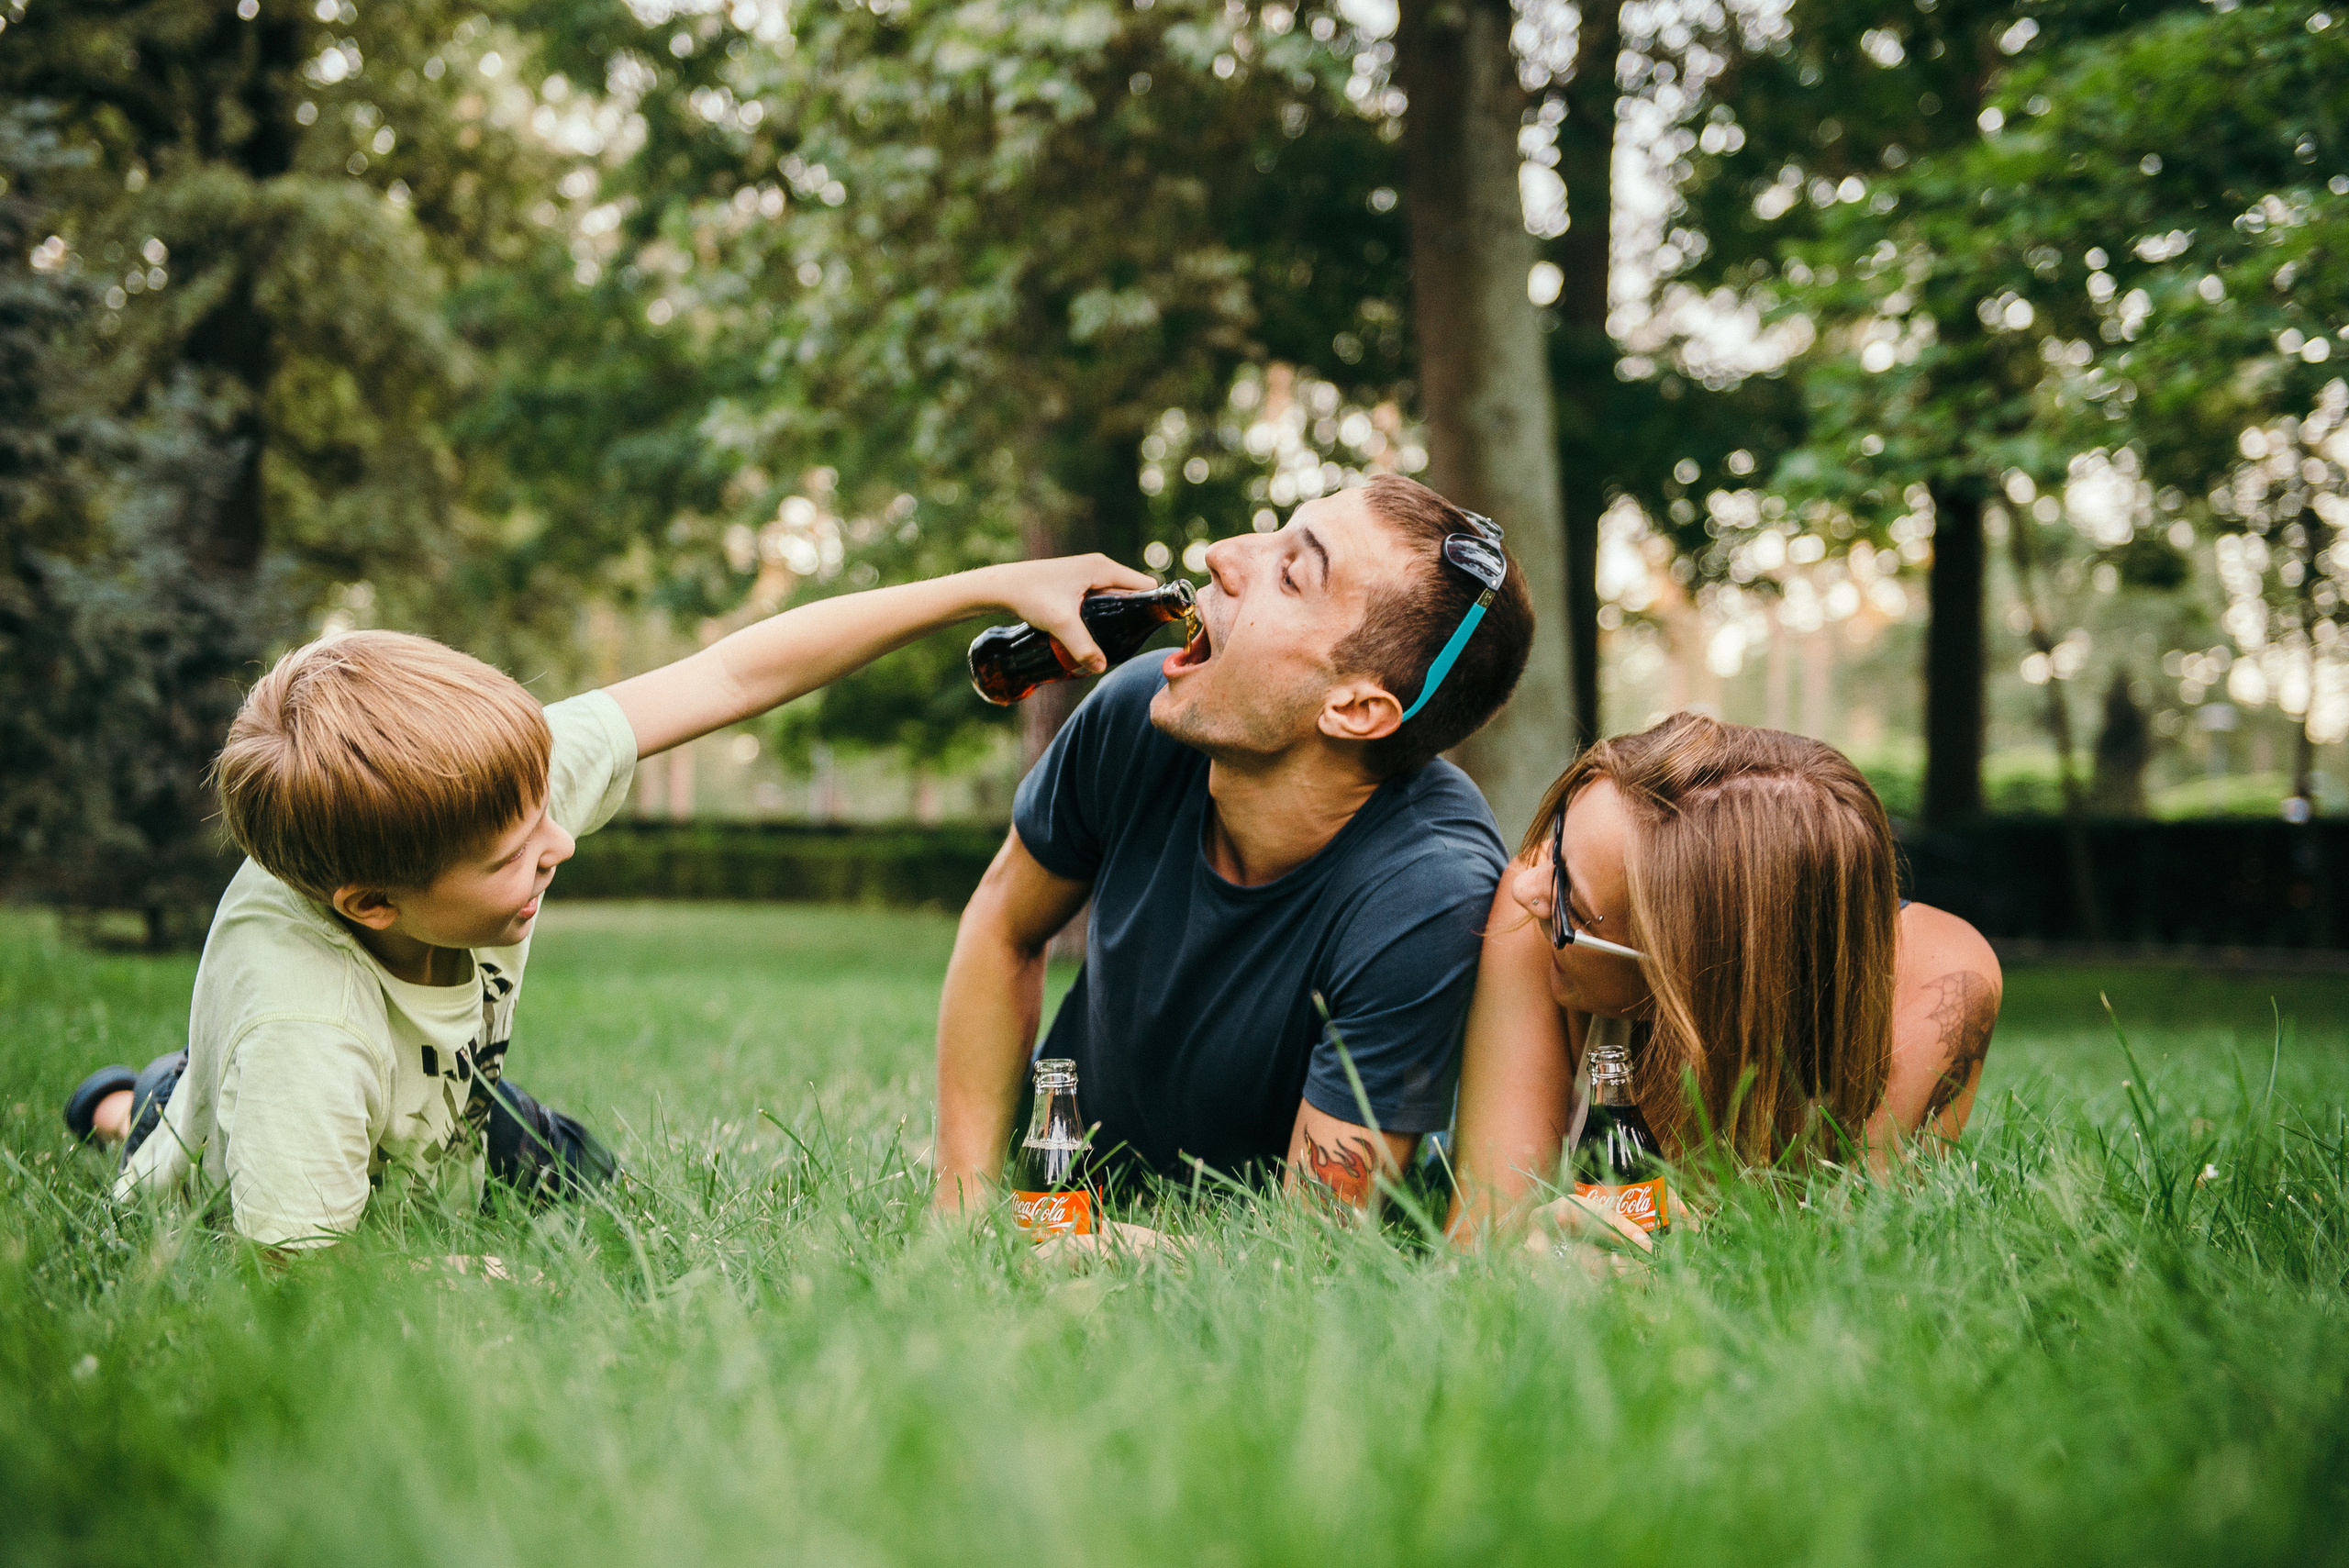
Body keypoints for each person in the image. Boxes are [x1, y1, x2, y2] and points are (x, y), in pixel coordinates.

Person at [61, 553, 1155, 1251]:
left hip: (451, 1107)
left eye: (546, 809)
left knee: (591, 1189)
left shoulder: (492, 787)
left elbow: (735, 675)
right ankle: (127, 1106)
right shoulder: (305, 1029)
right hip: (295, 1129)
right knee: (190, 1116)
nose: (562, 841)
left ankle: (163, 1089)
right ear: (372, 902)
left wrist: (992, 584)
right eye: (513, 855)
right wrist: (446, 1276)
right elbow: (294, 1280)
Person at [933, 475, 1537, 1218]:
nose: (1221, 554)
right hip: (1074, 1179)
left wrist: (1080, 1242)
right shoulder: (1138, 713)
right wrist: (964, 1205)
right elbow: (1003, 925)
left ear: (1355, 707)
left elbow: (1310, 1245)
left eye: (1291, 575)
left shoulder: (1429, 892)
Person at [1447, 714, 2003, 1240]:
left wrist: (1675, 1242)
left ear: (1686, 965)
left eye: (1573, 903)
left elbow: (1861, 1254)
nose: (1528, 890)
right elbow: (1484, 1234)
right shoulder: (1538, 913)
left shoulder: (1942, 987)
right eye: (1557, 839)